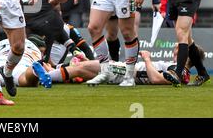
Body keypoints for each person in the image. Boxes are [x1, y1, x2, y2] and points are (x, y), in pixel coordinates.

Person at [32, 46, 198, 86]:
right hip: (125, 71)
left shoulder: (179, 71)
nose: (175, 51)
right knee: (84, 67)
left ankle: (48, 76)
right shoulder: (179, 70)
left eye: (179, 50)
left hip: (126, 73)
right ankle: (50, 74)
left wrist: (147, 59)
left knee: (82, 68)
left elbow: (155, 79)